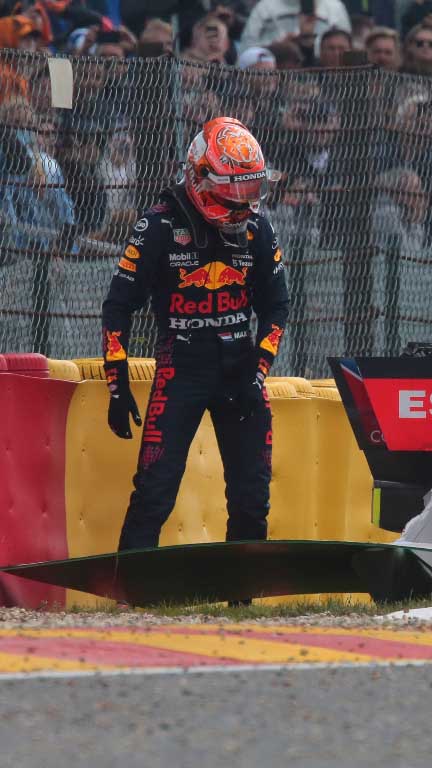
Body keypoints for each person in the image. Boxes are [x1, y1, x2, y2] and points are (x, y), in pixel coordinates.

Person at [101, 116, 290, 551]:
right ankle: (132, 595)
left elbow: (277, 306)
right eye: (232, 194)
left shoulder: (258, 228)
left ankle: (240, 601)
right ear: (199, 175)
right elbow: (118, 306)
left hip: (241, 370)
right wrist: (117, 381)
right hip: (180, 367)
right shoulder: (157, 227)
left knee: (251, 498)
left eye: (250, 193)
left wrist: (258, 372)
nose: (242, 208)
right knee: (154, 489)